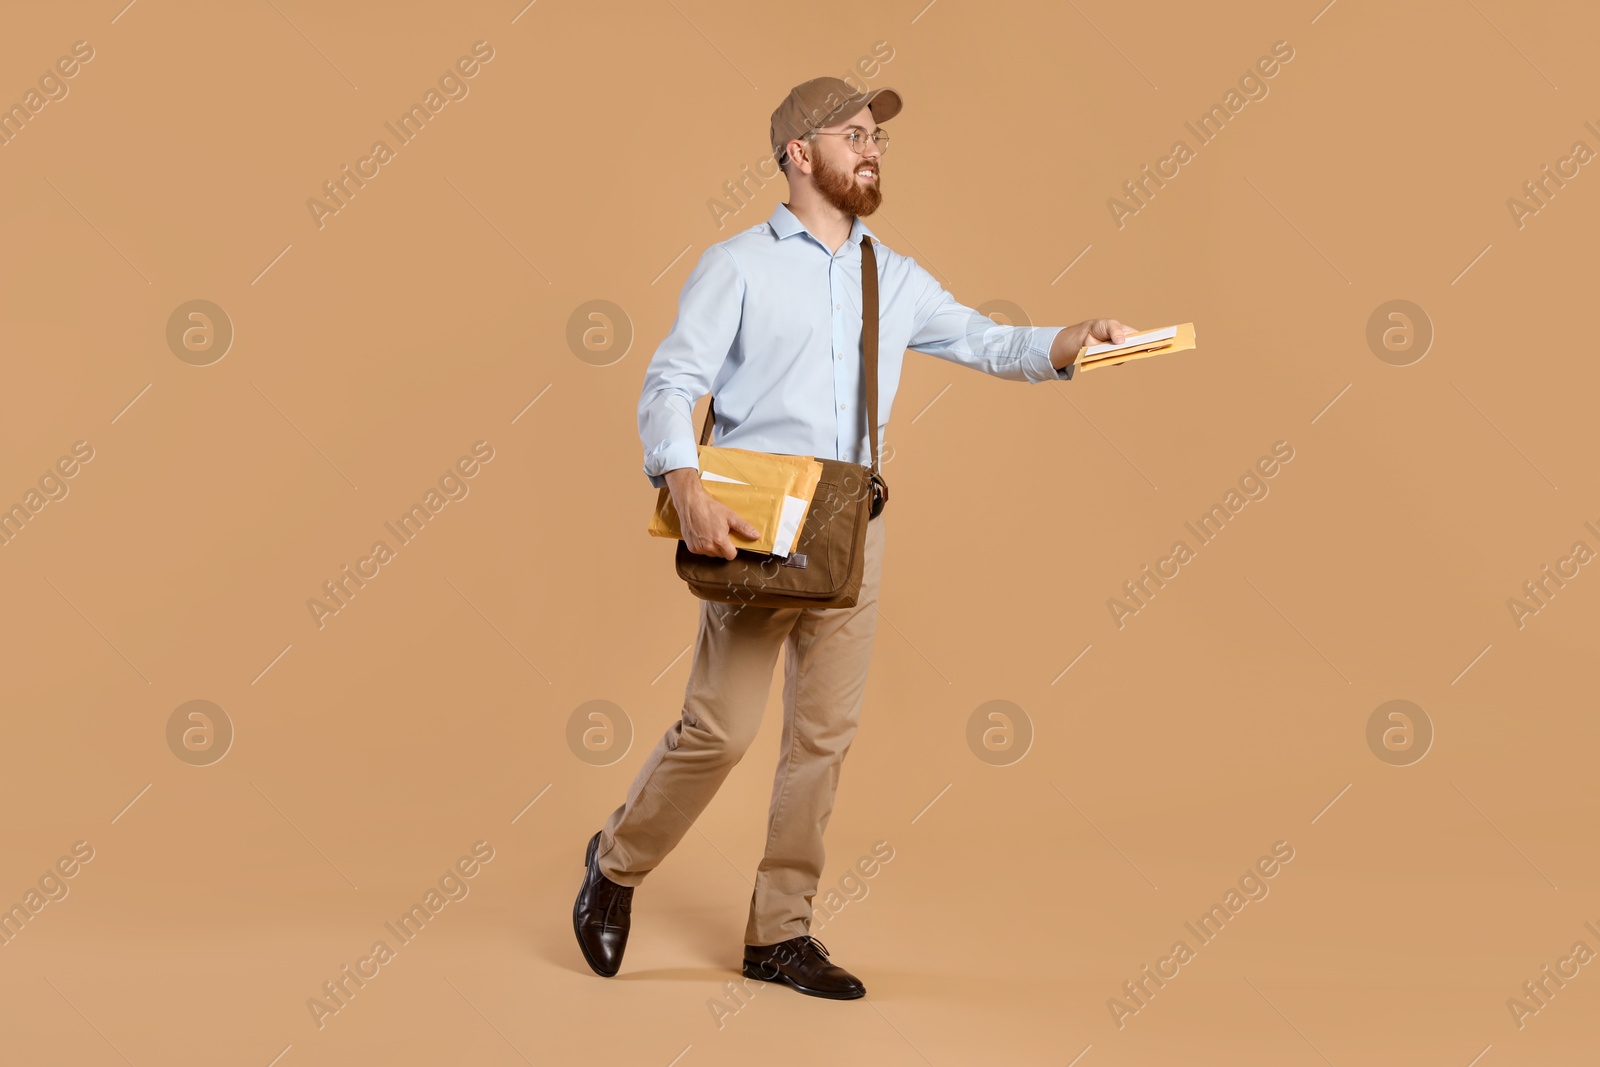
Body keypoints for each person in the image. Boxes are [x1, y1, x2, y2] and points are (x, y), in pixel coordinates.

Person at [574, 76, 1136, 999]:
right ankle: (617, 862)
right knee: (719, 731)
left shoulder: (893, 273)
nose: (872, 149)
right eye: (853, 134)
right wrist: (686, 487)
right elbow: (670, 384)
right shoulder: (738, 264)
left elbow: (989, 343)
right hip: (757, 525)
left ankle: (778, 933)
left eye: (877, 137)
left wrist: (1079, 338)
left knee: (822, 741)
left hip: (852, 533)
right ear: (800, 154)